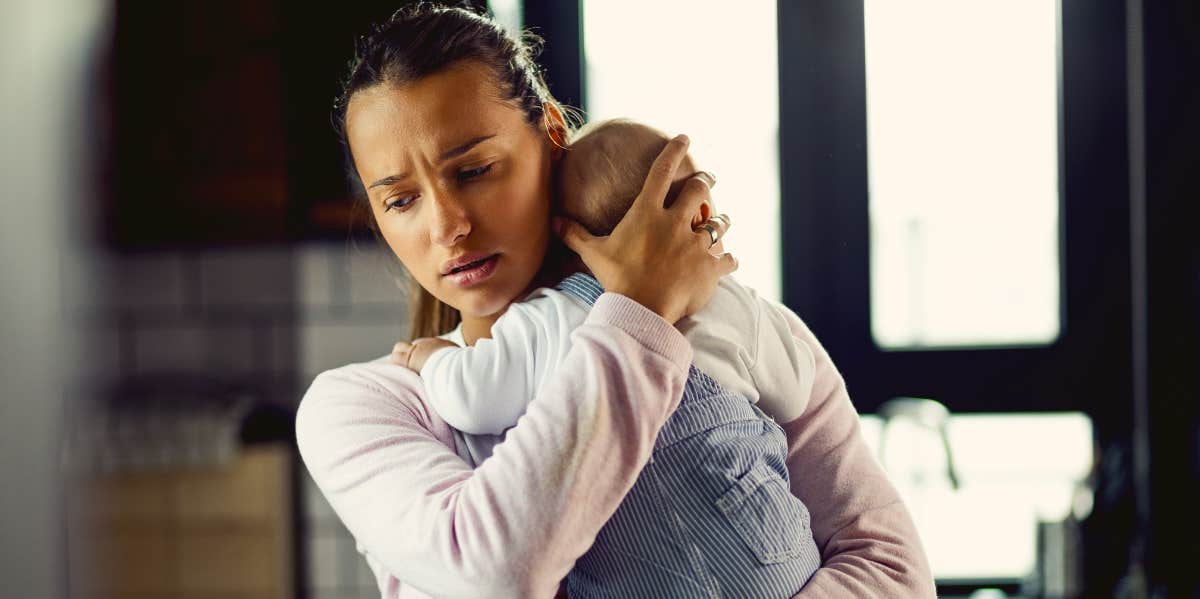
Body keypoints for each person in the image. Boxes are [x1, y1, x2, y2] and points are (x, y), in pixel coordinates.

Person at [295, 4, 936, 598]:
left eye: (473, 170)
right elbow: (497, 570)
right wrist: (636, 316)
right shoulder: (361, 410)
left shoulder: (736, 326)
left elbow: (893, 573)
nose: (446, 226)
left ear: (550, 132)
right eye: (401, 200)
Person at [392, 118, 823, 597]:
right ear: (700, 214)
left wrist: (433, 359)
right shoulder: (737, 304)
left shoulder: (549, 315)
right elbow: (795, 395)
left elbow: (474, 399)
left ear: (564, 234)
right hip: (776, 563)